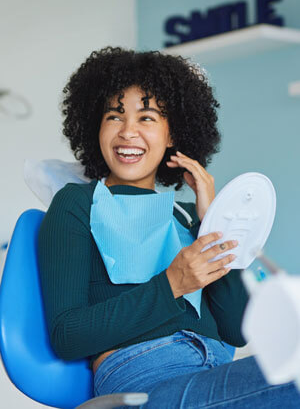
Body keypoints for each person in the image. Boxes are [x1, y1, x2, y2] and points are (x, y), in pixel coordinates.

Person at [38, 46, 299, 408]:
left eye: (147, 118)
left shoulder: (190, 217)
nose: (128, 132)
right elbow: (66, 335)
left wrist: (214, 221)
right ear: (96, 126)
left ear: (172, 134)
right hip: (143, 380)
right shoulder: (77, 203)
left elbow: (237, 329)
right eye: (114, 116)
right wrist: (172, 283)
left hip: (214, 372)